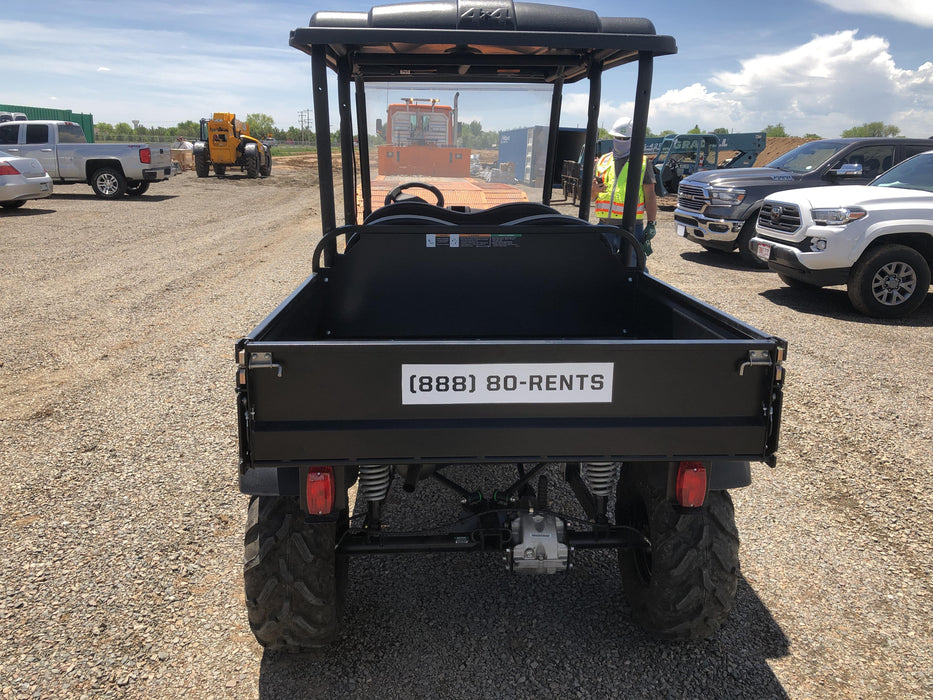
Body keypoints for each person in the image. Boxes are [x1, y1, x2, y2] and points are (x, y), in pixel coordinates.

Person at [592, 117, 657, 256]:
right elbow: (591, 196)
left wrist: (651, 222)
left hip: (632, 226)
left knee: (632, 265)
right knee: (601, 263)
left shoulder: (642, 162)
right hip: (605, 224)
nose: (621, 141)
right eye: (618, 138)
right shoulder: (603, 161)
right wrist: (594, 190)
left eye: (625, 139)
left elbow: (650, 194)